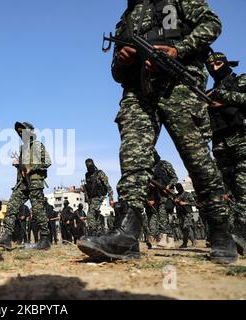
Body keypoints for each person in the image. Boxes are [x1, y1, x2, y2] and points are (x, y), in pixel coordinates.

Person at [78, 0, 238, 264]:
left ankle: (222, 233)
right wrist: (123, 59)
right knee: (133, 159)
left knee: (197, 160)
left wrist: (178, 49)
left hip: (179, 87)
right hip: (138, 92)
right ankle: (126, 236)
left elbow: (212, 24)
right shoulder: (126, 17)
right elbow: (116, 73)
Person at [206, 52, 246, 255]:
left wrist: (223, 98)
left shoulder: (241, 80)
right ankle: (233, 235)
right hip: (220, 144)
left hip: (241, 139)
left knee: (243, 187)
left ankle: (241, 235)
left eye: (218, 64)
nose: (214, 68)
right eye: (210, 66)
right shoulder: (209, 92)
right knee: (229, 192)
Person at [0, 122, 51, 250]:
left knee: (38, 210)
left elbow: (47, 162)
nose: (20, 135)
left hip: (35, 183)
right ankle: (7, 237)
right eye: (19, 133)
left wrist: (32, 168)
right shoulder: (22, 148)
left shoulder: (37, 145)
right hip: (22, 183)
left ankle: (45, 239)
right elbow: (24, 169)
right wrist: (18, 165)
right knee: (11, 206)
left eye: (23, 132)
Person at [152, 153, 178, 249]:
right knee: (163, 217)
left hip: (168, 195)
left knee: (165, 217)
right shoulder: (151, 169)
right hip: (158, 195)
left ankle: (166, 239)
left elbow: (175, 177)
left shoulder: (165, 164)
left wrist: (168, 186)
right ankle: (170, 241)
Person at [83, 159, 114, 236]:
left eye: (90, 166)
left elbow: (108, 186)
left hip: (99, 196)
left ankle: (92, 233)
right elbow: (88, 188)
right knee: (96, 216)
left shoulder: (100, 173)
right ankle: (99, 234)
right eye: (88, 166)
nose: (89, 168)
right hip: (91, 198)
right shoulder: (87, 175)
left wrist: (111, 198)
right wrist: (87, 198)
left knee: (90, 215)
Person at [175, 183, 197, 248]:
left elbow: (194, 203)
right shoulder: (176, 195)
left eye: (179, 187)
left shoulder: (188, 194)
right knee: (184, 228)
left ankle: (185, 243)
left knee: (186, 227)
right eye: (177, 188)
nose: (179, 189)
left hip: (187, 213)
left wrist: (185, 203)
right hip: (180, 214)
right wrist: (175, 201)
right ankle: (193, 241)